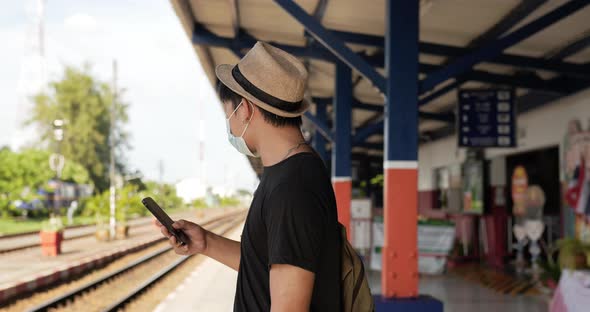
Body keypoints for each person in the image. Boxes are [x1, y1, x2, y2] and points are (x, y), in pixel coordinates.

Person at [154, 41, 341, 311]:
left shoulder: (292, 187)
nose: (229, 121)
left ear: (244, 109)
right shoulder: (286, 174)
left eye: (228, 111)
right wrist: (206, 242)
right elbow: (267, 264)